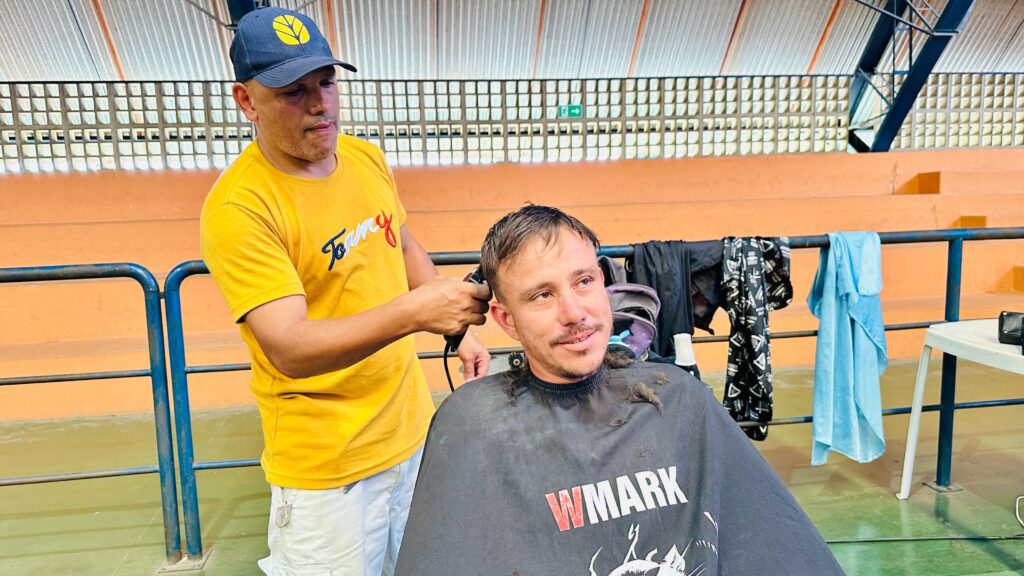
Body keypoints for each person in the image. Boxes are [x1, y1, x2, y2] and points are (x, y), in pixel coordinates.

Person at [394, 205, 845, 575]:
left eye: (583, 282)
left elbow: (774, 545)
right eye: (541, 296)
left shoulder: (678, 399)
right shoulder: (472, 424)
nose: (574, 313)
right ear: (506, 319)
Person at [199, 6, 490, 575]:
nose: (320, 103)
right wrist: (413, 313)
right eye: (292, 90)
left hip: (410, 435)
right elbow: (288, 346)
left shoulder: (363, 157)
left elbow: (402, 247)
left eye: (327, 81)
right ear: (245, 101)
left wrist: (456, 331)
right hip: (328, 472)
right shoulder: (241, 208)